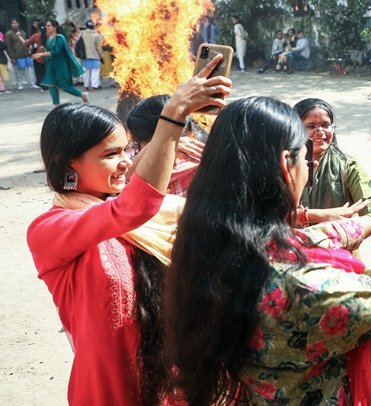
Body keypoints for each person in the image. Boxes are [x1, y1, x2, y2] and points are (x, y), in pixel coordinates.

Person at [163, 95, 371, 405]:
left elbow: (308, 239)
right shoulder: (302, 287)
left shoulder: (203, 243)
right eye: (305, 158)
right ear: (286, 164)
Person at [27, 59, 230, 406]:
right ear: (68, 162)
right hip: (110, 392)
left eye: (127, 150)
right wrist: (172, 117)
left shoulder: (128, 211)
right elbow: (133, 207)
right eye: (110, 154)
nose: (124, 162)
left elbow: (139, 193)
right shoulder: (51, 230)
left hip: (170, 386)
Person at [292, 97, 371, 256]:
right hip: (294, 253)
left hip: (340, 255)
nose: (320, 131)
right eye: (311, 126)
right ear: (295, 129)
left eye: (326, 125)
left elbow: (367, 201)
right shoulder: (285, 166)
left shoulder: (348, 165)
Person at [31, 20, 88, 105]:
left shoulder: (59, 38)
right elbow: (50, 52)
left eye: (49, 26)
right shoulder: (49, 39)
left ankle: (82, 94)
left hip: (60, 66)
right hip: (51, 65)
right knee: (51, 85)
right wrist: (44, 50)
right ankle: (56, 105)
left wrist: (41, 54)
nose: (46, 27)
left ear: (55, 27)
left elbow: (56, 52)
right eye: (46, 26)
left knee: (65, 86)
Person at [6, 18, 38, 89]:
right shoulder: (9, 34)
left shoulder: (23, 32)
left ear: (18, 24)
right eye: (13, 23)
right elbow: (8, 46)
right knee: (19, 70)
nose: (15, 24)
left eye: (16, 23)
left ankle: (32, 83)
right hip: (17, 55)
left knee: (30, 69)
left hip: (26, 53)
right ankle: (19, 84)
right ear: (11, 24)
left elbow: (27, 42)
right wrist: (12, 57)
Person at [79, 20, 103, 91]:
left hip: (85, 56)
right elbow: (99, 47)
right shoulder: (97, 35)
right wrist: (101, 56)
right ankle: (94, 86)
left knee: (86, 72)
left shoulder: (82, 34)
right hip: (95, 56)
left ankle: (86, 85)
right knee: (95, 72)